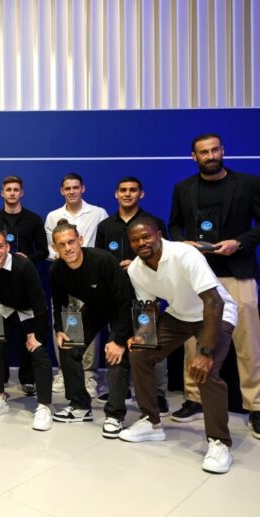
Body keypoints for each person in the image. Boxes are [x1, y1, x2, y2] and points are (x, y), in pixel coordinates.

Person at [120, 217, 238, 474]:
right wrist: (142, 336)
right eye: (135, 240)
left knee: (205, 371)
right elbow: (148, 308)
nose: (141, 243)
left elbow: (214, 301)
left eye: (146, 236)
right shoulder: (136, 269)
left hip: (215, 314)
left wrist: (204, 351)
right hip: (179, 316)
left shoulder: (184, 254)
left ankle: (219, 442)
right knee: (140, 354)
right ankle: (151, 422)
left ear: (159, 235)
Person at [167, 133, 260, 439]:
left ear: (223, 150)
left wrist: (240, 242)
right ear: (193, 157)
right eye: (203, 152)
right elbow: (173, 225)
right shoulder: (183, 188)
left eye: (214, 150)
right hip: (198, 276)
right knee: (193, 340)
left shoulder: (248, 184)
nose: (210, 156)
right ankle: (194, 398)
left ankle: (256, 407)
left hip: (238, 272)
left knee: (248, 342)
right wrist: (183, 244)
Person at [49, 220, 134, 436]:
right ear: (55, 248)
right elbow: (59, 303)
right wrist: (60, 329)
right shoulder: (56, 269)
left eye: (71, 242)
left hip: (121, 310)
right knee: (68, 347)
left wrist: (119, 340)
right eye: (62, 244)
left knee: (114, 354)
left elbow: (126, 300)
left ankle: (115, 415)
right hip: (94, 309)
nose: (68, 248)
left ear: (80, 240)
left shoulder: (103, 260)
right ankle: (80, 406)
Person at [94, 176, 170, 414]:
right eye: (123, 190)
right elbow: (99, 260)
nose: (127, 194)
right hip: (116, 295)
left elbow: (165, 256)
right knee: (118, 339)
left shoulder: (153, 223)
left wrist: (137, 263)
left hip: (146, 291)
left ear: (141, 194)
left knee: (149, 343)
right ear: (116, 194)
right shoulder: (105, 226)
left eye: (133, 190)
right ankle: (121, 388)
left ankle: (157, 394)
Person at [0, 228, 53, 430]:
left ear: (8, 247)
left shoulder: (24, 266)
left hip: (29, 311)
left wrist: (37, 335)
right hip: (4, 311)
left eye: (0, 246)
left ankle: (44, 406)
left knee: (39, 351)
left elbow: (39, 304)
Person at [44, 173, 108, 397]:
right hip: (64, 276)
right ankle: (65, 371)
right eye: (67, 188)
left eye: (75, 187)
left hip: (90, 277)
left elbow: (101, 245)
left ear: (83, 188)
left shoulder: (98, 213)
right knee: (65, 321)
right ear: (62, 191)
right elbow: (51, 247)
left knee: (90, 324)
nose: (71, 191)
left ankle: (89, 375)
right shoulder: (53, 216)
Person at [0, 175, 48, 396]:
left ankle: (28, 379)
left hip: (25, 286)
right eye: (8, 189)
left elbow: (44, 251)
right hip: (0, 288)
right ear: (2, 193)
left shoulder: (34, 219)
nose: (12, 193)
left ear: (21, 193)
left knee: (29, 335)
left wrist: (27, 258)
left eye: (16, 189)